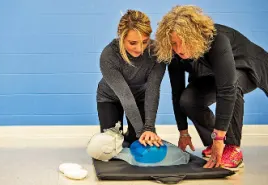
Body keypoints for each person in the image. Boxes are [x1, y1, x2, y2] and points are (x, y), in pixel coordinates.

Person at [154, 5, 268, 170]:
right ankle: (213, 143)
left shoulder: (217, 40)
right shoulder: (174, 54)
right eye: (173, 43)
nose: (178, 49)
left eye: (183, 42)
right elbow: (177, 93)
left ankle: (231, 147)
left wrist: (220, 138)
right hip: (215, 74)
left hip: (251, 67)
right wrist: (183, 132)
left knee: (232, 84)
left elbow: (227, 90)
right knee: (188, 100)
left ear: (193, 37)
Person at [96, 9, 166, 148]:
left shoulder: (157, 52)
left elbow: (153, 90)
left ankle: (130, 135)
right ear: (121, 37)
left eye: (145, 42)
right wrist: (142, 132)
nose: (140, 49)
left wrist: (149, 128)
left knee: (139, 142)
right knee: (111, 147)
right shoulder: (108, 55)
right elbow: (125, 96)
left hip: (140, 97)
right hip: (110, 98)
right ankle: (121, 136)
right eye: (133, 43)